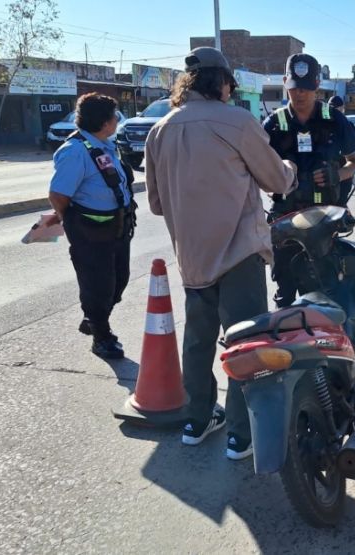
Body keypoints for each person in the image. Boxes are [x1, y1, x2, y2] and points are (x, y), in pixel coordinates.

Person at [145, 47, 297, 459]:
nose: (231, 89)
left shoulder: (160, 130)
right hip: (239, 252)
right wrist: (289, 167)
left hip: (192, 256)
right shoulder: (237, 122)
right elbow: (277, 181)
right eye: (229, 82)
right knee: (245, 342)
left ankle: (196, 421)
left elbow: (157, 204)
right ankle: (240, 435)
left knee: (198, 340)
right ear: (221, 82)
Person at [263, 53, 355, 308]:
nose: (300, 94)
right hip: (285, 218)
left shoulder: (334, 120)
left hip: (323, 219)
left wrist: (335, 175)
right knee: (284, 292)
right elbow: (256, 172)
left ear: (317, 85)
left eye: (307, 88)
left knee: (326, 291)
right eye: (295, 87)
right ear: (286, 82)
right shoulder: (273, 125)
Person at [48, 93, 136, 360]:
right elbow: (58, 195)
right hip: (90, 232)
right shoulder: (75, 151)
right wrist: (71, 220)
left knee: (119, 281)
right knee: (98, 286)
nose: (116, 121)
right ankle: (101, 335)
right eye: (114, 117)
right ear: (104, 121)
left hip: (117, 228)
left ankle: (94, 318)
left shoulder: (104, 145)